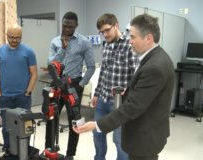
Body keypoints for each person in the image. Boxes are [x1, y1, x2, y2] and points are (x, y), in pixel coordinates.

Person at [73, 14, 176, 160]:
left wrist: (96, 124)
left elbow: (133, 106)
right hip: (140, 126)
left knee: (119, 142)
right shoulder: (156, 57)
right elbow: (143, 88)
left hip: (144, 136)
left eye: (133, 37)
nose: (130, 40)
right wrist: (128, 90)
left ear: (148, 38)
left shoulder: (154, 67)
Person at [47, 11, 95, 160]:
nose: (67, 29)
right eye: (64, 26)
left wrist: (81, 85)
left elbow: (91, 66)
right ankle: (49, 149)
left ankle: (70, 154)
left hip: (74, 84)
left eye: (70, 27)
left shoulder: (84, 42)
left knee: (74, 122)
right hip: (56, 83)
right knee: (51, 118)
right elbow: (51, 64)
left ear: (76, 26)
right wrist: (63, 48)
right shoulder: (55, 42)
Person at [91, 13, 139, 160]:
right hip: (102, 101)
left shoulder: (129, 46)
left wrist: (128, 93)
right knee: (97, 134)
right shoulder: (106, 45)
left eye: (107, 30)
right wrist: (97, 93)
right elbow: (103, 72)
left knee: (119, 141)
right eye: (101, 32)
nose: (104, 34)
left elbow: (137, 76)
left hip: (119, 104)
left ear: (116, 26)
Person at [0, 23, 37, 152]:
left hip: (23, 97)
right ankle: (9, 149)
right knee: (7, 125)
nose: (14, 40)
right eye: (11, 37)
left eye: (17, 37)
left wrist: (28, 92)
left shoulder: (28, 51)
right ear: (7, 36)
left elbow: (34, 73)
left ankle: (24, 150)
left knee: (24, 124)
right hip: (5, 97)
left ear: (21, 36)